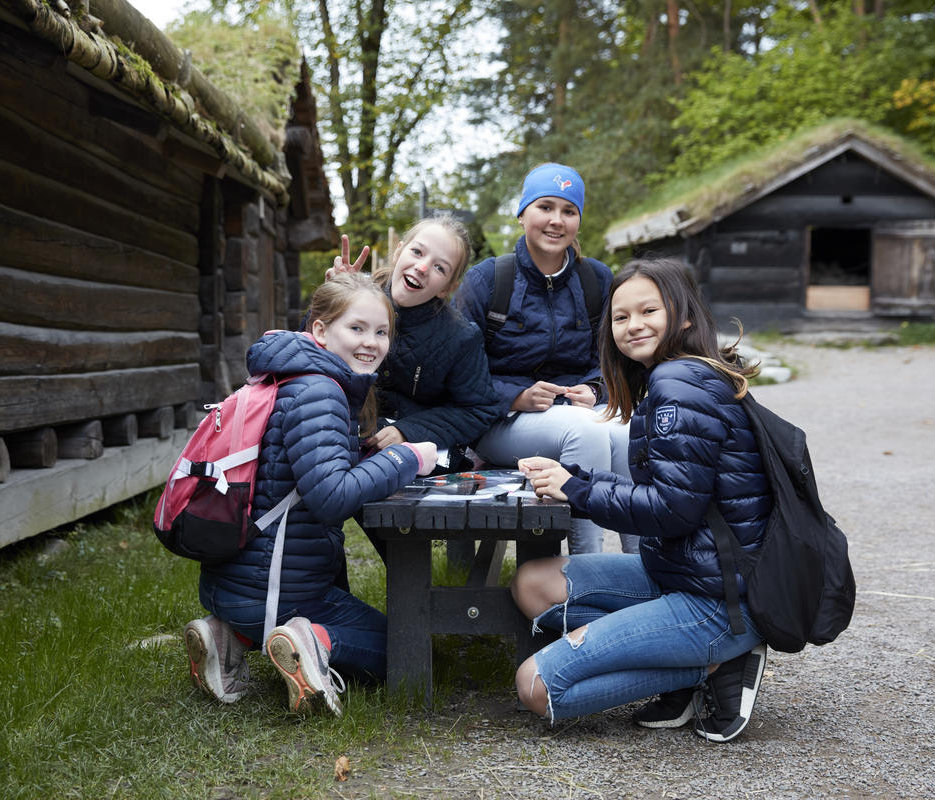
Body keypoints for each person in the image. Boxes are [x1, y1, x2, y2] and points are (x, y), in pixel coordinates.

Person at [509, 257, 772, 743]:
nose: (633, 326)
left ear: (684, 315)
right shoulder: (672, 378)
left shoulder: (679, 387)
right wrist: (573, 478)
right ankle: (683, 656)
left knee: (537, 687)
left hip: (718, 601)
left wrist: (576, 489)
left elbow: (673, 509)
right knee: (533, 584)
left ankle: (711, 665)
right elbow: (679, 492)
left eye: (648, 311)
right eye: (621, 316)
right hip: (683, 573)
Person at [182, 272, 439, 716]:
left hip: (235, 581)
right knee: (407, 644)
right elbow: (331, 497)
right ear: (320, 330)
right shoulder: (320, 391)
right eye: (356, 328)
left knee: (390, 632)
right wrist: (408, 459)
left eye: (381, 332)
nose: (371, 342)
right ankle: (311, 640)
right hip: (278, 591)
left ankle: (229, 637)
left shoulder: (285, 376)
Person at [453, 163, 636, 554]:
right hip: (501, 422)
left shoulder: (597, 280)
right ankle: (587, 567)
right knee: (585, 432)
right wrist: (515, 396)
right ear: (523, 214)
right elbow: (460, 370)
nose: (557, 221)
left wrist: (595, 388)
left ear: (578, 222)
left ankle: (646, 568)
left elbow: (615, 354)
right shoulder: (489, 280)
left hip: (580, 409)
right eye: (545, 207)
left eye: (569, 211)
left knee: (626, 433)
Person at [327, 214, 499, 462]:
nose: (422, 267)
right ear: (398, 253)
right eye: (417, 252)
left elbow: (479, 410)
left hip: (407, 456)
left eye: (440, 267)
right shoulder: (354, 296)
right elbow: (311, 354)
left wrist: (408, 431)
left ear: (447, 288)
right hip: (337, 432)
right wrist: (332, 304)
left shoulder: (460, 337)